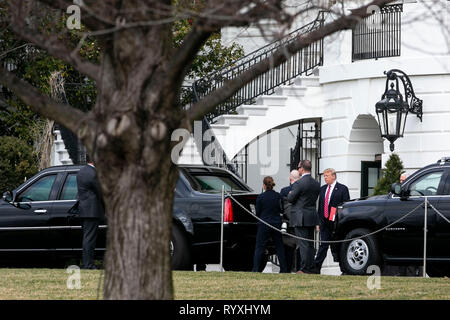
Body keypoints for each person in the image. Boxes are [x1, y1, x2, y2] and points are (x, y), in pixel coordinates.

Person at [313, 168, 350, 274]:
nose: (325, 178)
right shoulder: (323, 189)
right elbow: (320, 206)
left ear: (333, 176)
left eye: (327, 176)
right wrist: (318, 222)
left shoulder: (342, 189)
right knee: (323, 246)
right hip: (324, 222)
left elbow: (345, 205)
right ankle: (316, 268)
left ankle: (344, 269)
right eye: (324, 176)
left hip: (336, 223)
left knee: (337, 247)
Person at [287, 160, 320, 274]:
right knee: (310, 243)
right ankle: (311, 267)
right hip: (311, 215)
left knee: (303, 244)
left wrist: (290, 193)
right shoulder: (316, 183)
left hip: (300, 216)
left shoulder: (299, 183)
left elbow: (291, 199)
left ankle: (305, 268)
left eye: (299, 167)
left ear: (301, 169)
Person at [252, 176, 288, 273]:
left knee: (260, 246)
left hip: (264, 223)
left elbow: (258, 212)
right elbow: (281, 209)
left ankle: (255, 269)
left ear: (264, 185)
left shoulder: (261, 197)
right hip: (276, 223)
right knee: (279, 246)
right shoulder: (278, 196)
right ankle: (284, 269)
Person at [76, 155, 105, 269]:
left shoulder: (81, 171)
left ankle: (86, 263)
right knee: (89, 239)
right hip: (92, 211)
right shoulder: (94, 174)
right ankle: (88, 264)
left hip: (84, 209)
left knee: (87, 238)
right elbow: (101, 192)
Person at [280, 170, 301, 272]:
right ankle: (299, 268)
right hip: (300, 221)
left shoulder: (284, 191)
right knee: (301, 247)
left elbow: (280, 206)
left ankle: (287, 268)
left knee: (288, 248)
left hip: (288, 223)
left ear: (290, 178)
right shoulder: (302, 190)